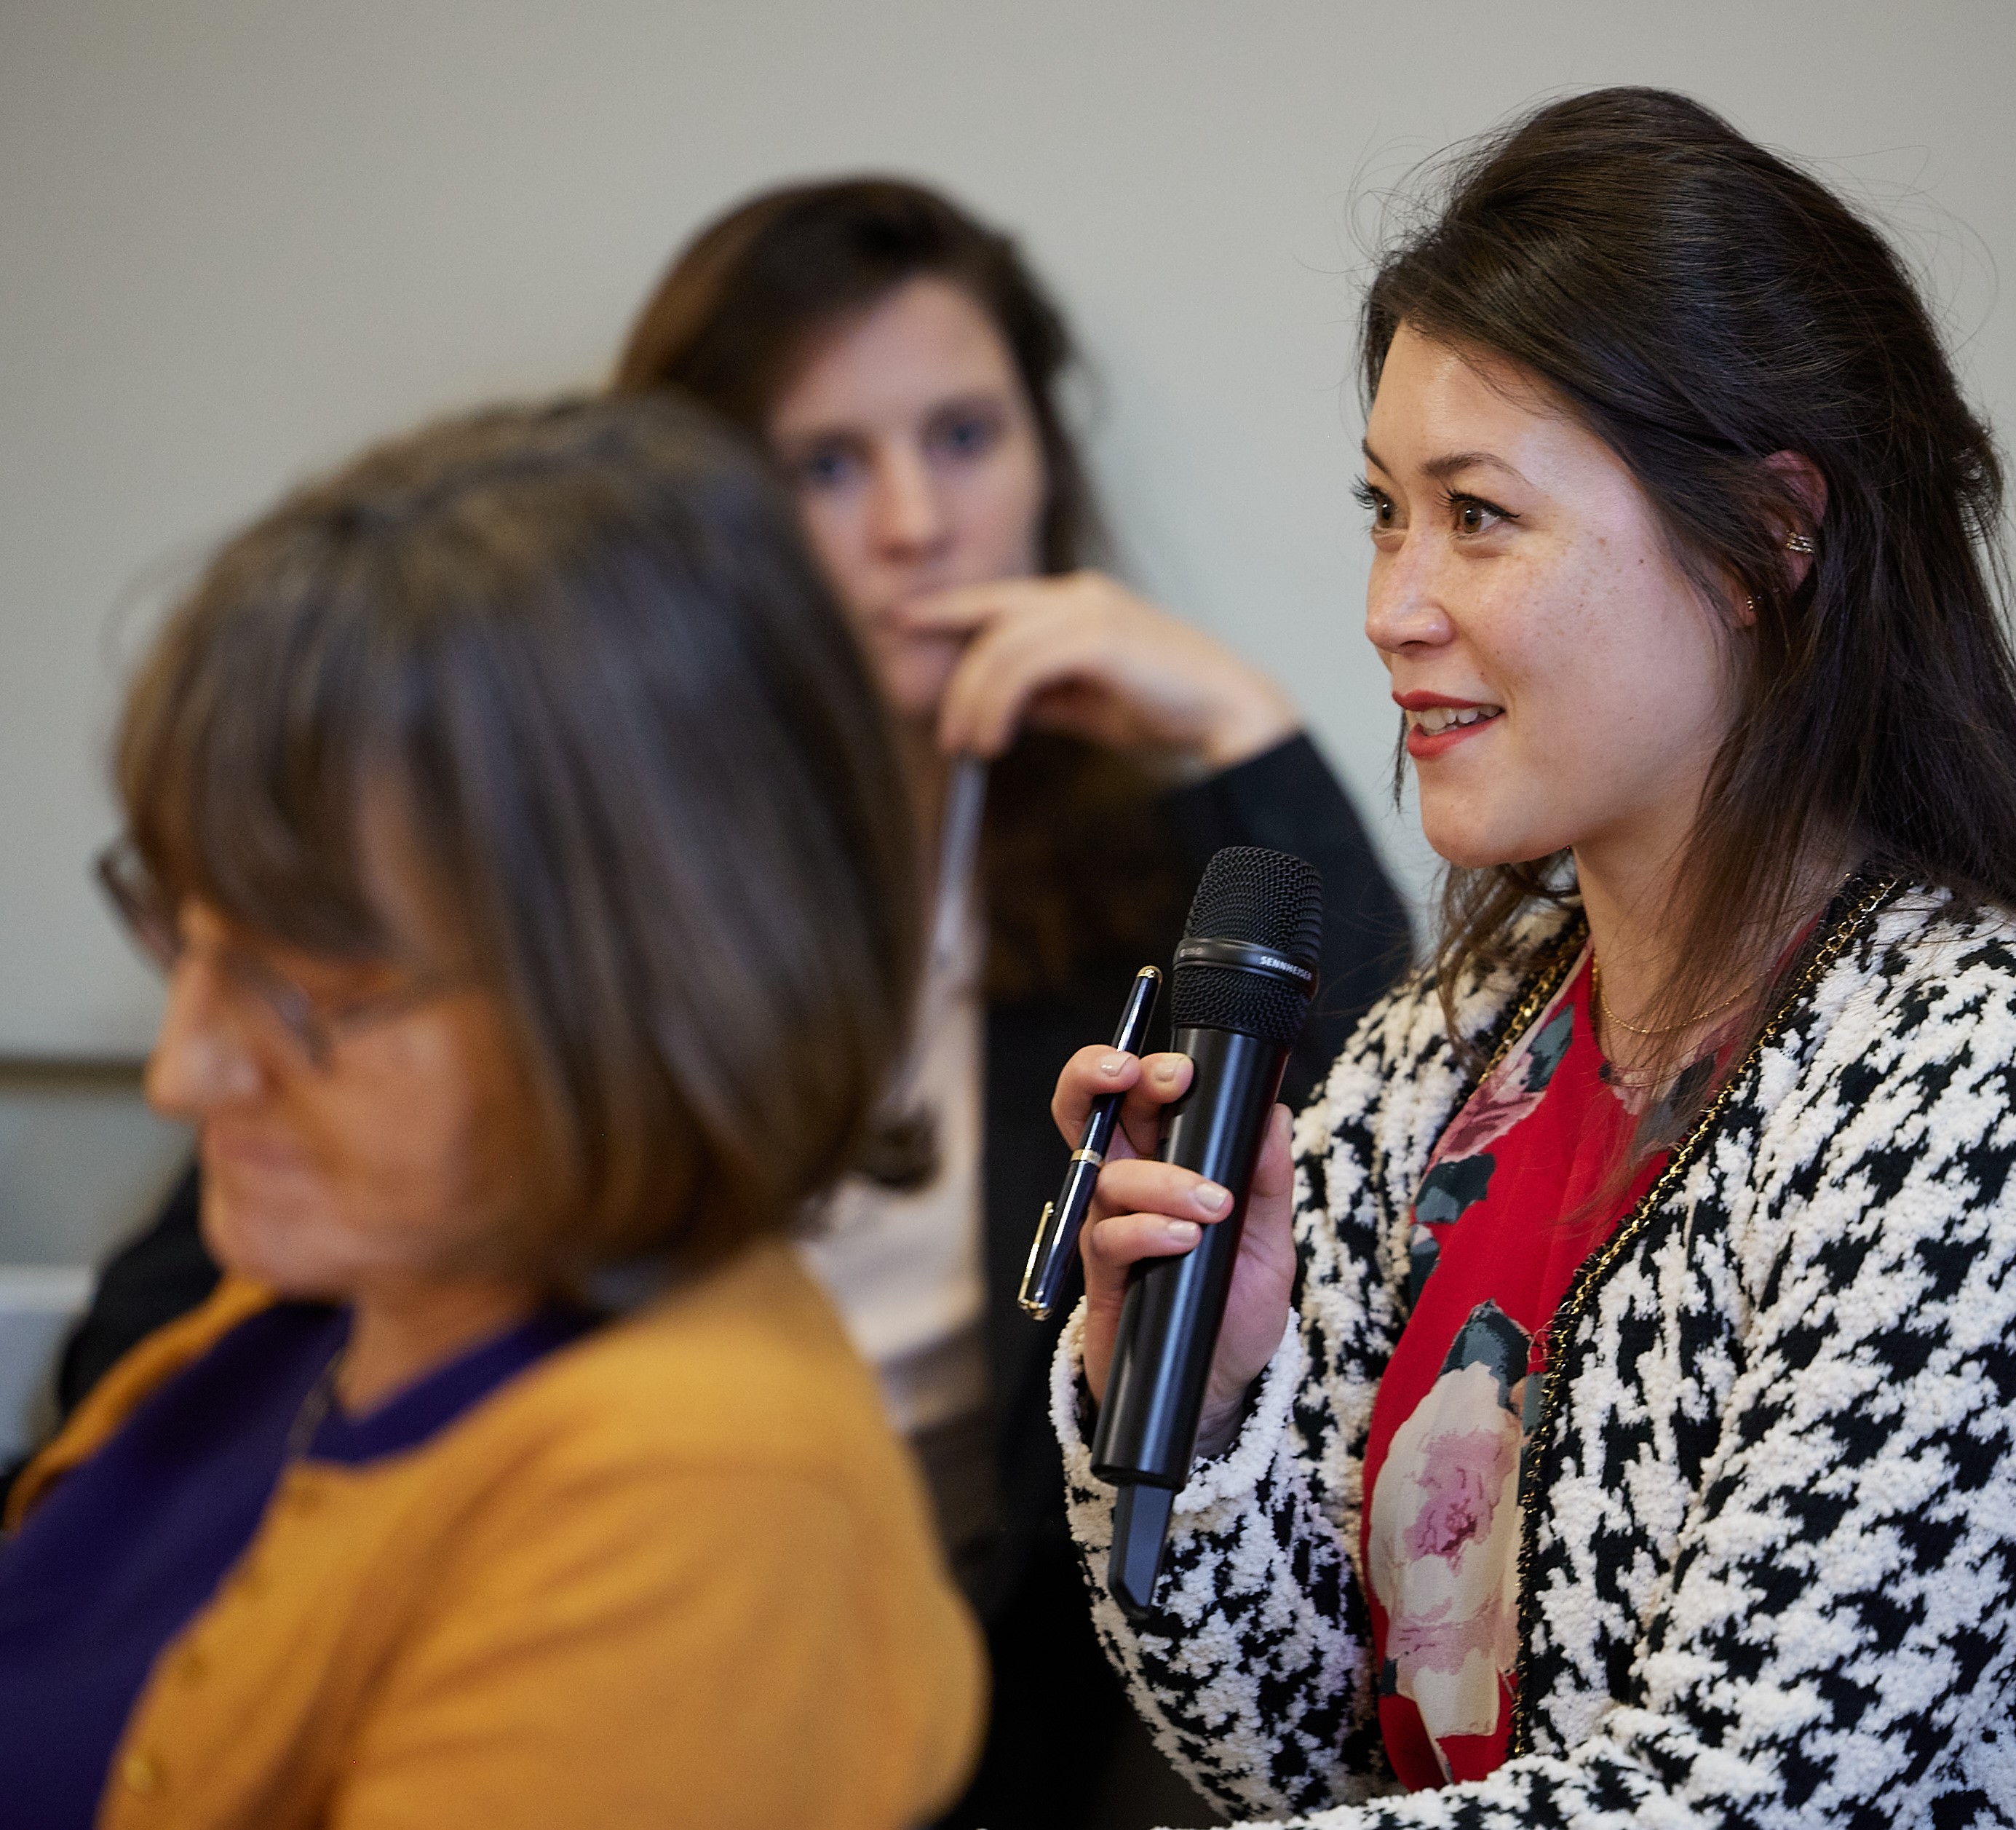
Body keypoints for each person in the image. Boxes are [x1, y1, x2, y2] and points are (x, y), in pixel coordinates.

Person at [34, 175, 1408, 1826]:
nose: (915, 521)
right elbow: (174, 1317)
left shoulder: (1117, 886)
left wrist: (1237, 726)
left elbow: (1362, 1124)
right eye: (826, 464)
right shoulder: (516, 876)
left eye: (965, 438)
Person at [1049, 88, 2016, 1826]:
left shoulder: (1990, 1079)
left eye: (1476, 516)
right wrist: (1208, 1397)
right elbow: (1289, 1766)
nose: (1391, 600)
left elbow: (1734, 1802)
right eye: (1384, 508)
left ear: (1767, 538)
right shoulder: (1439, 1054)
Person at [0, 397, 983, 1826]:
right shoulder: (333, 1304)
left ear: (648, 971)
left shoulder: (702, 1497)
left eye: (304, 989)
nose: (183, 1072)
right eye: (189, 938)